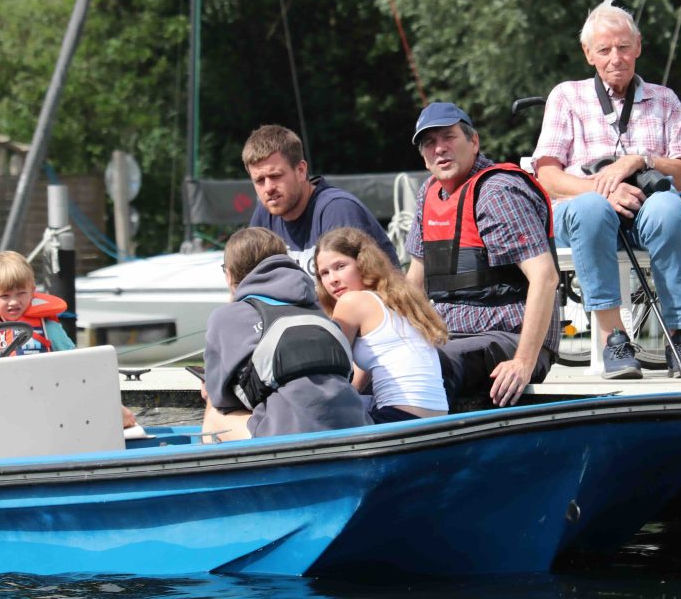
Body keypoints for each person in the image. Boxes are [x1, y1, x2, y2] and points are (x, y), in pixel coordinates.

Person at [531, 0, 681, 380]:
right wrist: (601, 189)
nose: (616, 58)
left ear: (638, 47)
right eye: (605, 50)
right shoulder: (567, 96)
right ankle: (614, 339)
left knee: (669, 207)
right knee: (591, 209)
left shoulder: (664, 100)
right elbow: (547, 176)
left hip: (645, 210)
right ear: (588, 54)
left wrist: (641, 160)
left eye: (624, 47)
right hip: (585, 213)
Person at [404, 102, 560, 407]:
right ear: (424, 157)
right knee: (379, 363)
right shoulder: (429, 193)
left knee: (427, 368)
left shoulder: (498, 192)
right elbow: (413, 284)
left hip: (509, 339)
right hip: (449, 336)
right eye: (430, 142)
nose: (439, 149)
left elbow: (545, 277)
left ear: (473, 142)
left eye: (449, 137)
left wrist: (523, 362)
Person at [202, 227, 370, 441]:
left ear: (229, 274)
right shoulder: (317, 309)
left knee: (213, 416)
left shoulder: (227, 316)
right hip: (356, 424)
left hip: (289, 435)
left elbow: (222, 399)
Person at [0, 250, 138, 428]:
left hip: (44, 402)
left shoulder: (49, 328)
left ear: (32, 291)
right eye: (5, 296)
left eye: (21, 293)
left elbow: (77, 366)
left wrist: (112, 406)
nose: (14, 302)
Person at [315, 227, 448, 423]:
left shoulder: (352, 302)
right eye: (324, 273)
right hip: (437, 417)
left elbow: (329, 367)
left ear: (362, 263)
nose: (333, 279)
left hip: (397, 418)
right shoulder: (396, 299)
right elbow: (357, 382)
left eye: (340, 266)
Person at [243, 124, 399, 277]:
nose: (268, 188)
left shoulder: (337, 209)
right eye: (259, 180)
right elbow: (246, 281)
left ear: (301, 170)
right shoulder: (265, 214)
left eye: (276, 176)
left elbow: (355, 287)